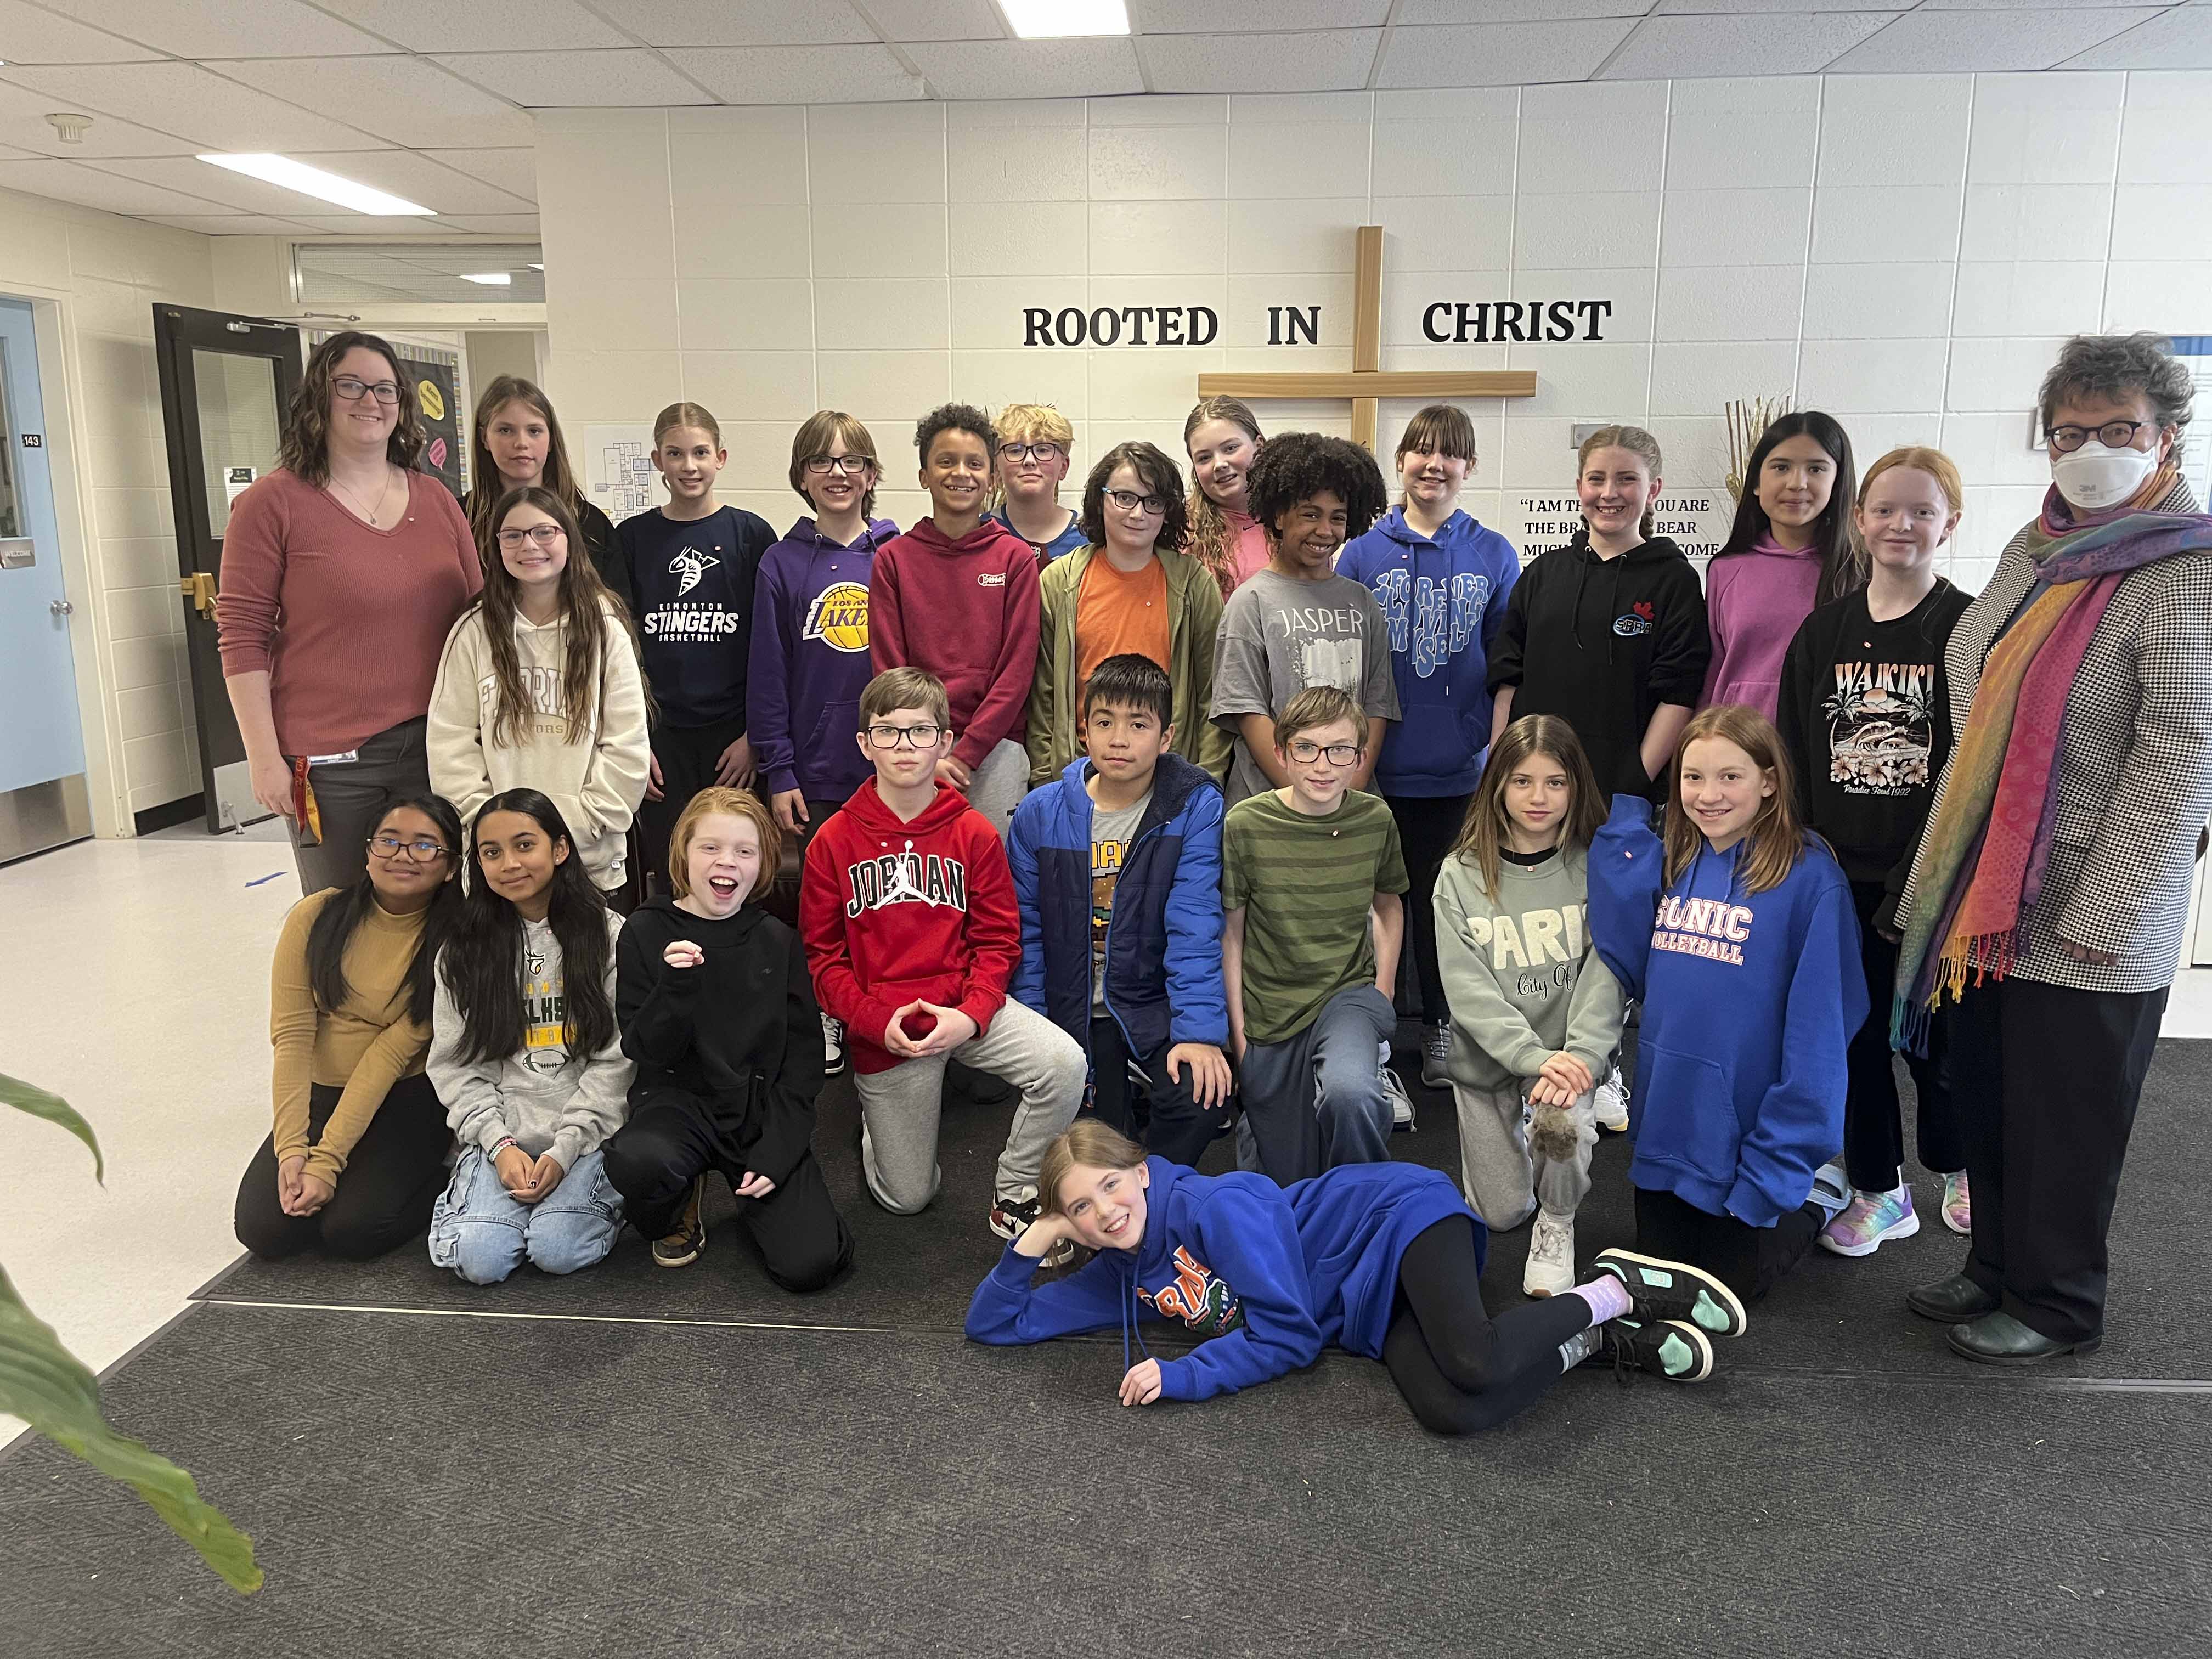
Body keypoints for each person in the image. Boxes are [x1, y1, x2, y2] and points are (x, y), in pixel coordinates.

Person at [1892, 333, 2212, 1364]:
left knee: (2067, 1115)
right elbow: (1976, 691)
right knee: (1988, 1090)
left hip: (2092, 900)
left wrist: (2105, 912)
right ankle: (1995, 1265)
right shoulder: (2033, 549)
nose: (2089, 451)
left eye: (2116, 429)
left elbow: (2182, 753)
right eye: (2069, 432)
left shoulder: (2187, 570)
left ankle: (2058, 1300)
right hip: (1991, 890)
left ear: (2165, 436)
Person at [966, 1121, 1743, 1433]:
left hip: (1395, 1220)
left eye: (1110, 1186)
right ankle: (1605, 1339)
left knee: (1475, 1360)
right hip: (1361, 1306)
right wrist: (1035, 1240)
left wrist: (1184, 1375)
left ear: (1140, 1172)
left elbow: (1290, 1339)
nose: (1104, 1212)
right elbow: (996, 1325)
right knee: (1454, 1413)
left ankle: (1619, 1287)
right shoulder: (1119, 1269)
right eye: (1080, 1208)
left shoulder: (1215, 1209)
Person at [799, 668, 1086, 1252]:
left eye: (920, 731)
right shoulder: (832, 841)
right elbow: (823, 961)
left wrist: (972, 1014)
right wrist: (873, 1021)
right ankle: (877, 1130)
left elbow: (999, 941)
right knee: (907, 1198)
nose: (905, 745)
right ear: (865, 744)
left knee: (1064, 1064)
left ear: (945, 742)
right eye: (888, 731)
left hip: (961, 1007)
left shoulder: (974, 833)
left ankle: (1015, 1192)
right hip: (889, 1027)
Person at [1587, 705, 1864, 1305]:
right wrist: (1627, 819)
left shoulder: (1812, 882)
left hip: (1749, 1152)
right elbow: (1625, 953)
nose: (1708, 795)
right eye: (1693, 777)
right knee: (1655, 1278)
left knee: (1727, 1288)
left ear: (1769, 782)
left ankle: (1816, 1196)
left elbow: (1820, 1045)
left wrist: (1774, 1170)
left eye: (1730, 776)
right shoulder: (1676, 861)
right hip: (1668, 1141)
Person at [1776, 447, 1971, 1257]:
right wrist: (1803, 861)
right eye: (1886, 509)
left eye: (1922, 511)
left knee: (1937, 1042)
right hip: (1837, 876)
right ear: (1858, 519)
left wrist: (1916, 879)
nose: (1902, 525)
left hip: (1935, 878)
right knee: (1853, 1040)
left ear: (1949, 524)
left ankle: (1960, 1166)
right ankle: (1880, 1188)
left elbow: (1972, 767)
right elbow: (1793, 750)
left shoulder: (1966, 628)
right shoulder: (1824, 631)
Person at [217, 330, 482, 894]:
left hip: (438, 748)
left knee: (444, 912)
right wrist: (263, 757)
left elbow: (479, 619)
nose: (371, 401)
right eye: (351, 385)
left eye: (385, 389)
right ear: (319, 395)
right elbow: (242, 636)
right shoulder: (272, 504)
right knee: (343, 913)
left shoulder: (437, 500)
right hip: (332, 763)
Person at [601, 788, 853, 1290]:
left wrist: (779, 1150)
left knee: (812, 1264)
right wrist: (674, 990)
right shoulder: (646, 930)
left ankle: (752, 1193)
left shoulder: (778, 941)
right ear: (684, 853)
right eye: (710, 847)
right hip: (676, 1106)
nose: (727, 861)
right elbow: (645, 1050)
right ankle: (681, 1197)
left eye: (744, 850)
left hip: (756, 1114)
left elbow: (803, 1063)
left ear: (762, 863)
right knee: (637, 1162)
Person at [1338, 404, 1521, 1086]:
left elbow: (1508, 668)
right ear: (1401, 461)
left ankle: (1441, 1023)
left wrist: (1491, 751)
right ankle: (1370, 1034)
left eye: (1450, 453)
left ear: (1469, 466)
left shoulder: (1494, 553)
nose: (1434, 464)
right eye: (1421, 450)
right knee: (1369, 905)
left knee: (1446, 909)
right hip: (1372, 772)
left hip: (1456, 773)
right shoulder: (1362, 552)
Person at [1007, 654, 1233, 1167]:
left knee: (1203, 1096)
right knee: (1099, 1144)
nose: (1119, 739)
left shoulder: (1192, 808)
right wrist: (1038, 1037)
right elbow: (1028, 934)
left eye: (1138, 725)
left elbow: (1195, 925)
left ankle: (1155, 1188)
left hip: (1152, 1002)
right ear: (1084, 731)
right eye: (1105, 723)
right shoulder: (1040, 813)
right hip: (1077, 1012)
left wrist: (1199, 1035)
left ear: (1166, 737)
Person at [1432, 715, 1623, 1297]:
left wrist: (1581, 1057)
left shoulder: (1596, 867)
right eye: (1522, 781)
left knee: (1562, 1127)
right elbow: (1467, 990)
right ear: (1498, 787)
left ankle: (1557, 1223)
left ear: (1576, 787)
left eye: (1555, 782)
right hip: (1490, 1060)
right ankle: (1520, 1141)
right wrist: (1528, 1057)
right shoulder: (1460, 875)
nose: (1539, 797)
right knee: (1500, 1214)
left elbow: (1606, 975)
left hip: (1565, 1060)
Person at [234, 795, 465, 1261]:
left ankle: (450, 1175)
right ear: (368, 852)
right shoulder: (315, 916)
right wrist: (292, 1150)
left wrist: (326, 1162)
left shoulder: (456, 941)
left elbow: (390, 1055)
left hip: (404, 1095)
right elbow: (292, 1038)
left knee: (354, 1231)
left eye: (425, 846)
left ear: (450, 868)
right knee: (264, 1231)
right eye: (389, 841)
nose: (402, 855)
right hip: (322, 1092)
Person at [426, 789, 632, 1283]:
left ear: (559, 849)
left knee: (557, 1249)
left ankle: (604, 1200)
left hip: (586, 1135)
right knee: (479, 1259)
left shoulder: (610, 936)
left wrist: (566, 1148)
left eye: (524, 845)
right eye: (491, 852)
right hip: (503, 1133)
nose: (509, 864)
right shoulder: (462, 951)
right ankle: (478, 1186)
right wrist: (499, 1146)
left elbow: (617, 1061)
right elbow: (455, 1065)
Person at [428, 486, 651, 901]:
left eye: (544, 532)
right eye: (513, 535)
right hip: (501, 864)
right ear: (497, 547)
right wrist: (494, 829)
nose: (529, 545)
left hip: (587, 856)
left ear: (569, 539)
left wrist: (581, 823)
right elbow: (450, 743)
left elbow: (627, 744)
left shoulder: (605, 629)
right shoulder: (473, 631)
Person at [1223, 687, 1408, 1184]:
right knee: (1282, 1178)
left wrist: (1383, 990)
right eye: (1306, 748)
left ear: (1360, 758)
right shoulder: (1245, 824)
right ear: (1281, 753)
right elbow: (1232, 934)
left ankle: (1361, 1204)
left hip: (1348, 997)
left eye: (1340, 750)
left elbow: (1388, 905)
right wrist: (1240, 1040)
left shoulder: (1375, 819)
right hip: (1271, 1011)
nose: (1322, 765)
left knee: (1351, 1094)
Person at [751, 409, 899, 1030]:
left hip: (894, 767)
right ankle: (831, 1014)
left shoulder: (897, 555)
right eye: (822, 461)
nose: (838, 473)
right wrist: (779, 771)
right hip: (816, 772)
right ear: (802, 475)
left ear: (871, 474)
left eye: (852, 461)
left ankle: (887, 1008)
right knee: (830, 904)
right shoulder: (780, 564)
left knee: (891, 901)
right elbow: (768, 676)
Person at [1488, 425, 1707, 809]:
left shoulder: (1675, 581)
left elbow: (1678, 694)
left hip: (1624, 794)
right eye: (1597, 479)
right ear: (1579, 487)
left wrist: (1633, 784)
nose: (1609, 493)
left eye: (1627, 479)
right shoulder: (1542, 574)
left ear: (1653, 490)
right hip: (1535, 790)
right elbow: (1508, 680)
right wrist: (1499, 769)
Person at [614, 401, 778, 889]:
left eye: (701, 453)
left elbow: (770, 648)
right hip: (661, 737)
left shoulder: (751, 534)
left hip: (734, 738)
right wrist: (635, 742)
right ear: (657, 460)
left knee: (737, 867)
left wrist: (755, 737)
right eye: (676, 454)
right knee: (676, 871)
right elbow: (618, 651)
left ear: (721, 458)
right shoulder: (632, 539)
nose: (689, 466)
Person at [870, 404, 1043, 836]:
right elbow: (890, 671)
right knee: (920, 869)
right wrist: (923, 746)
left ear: (993, 477)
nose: (961, 473)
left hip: (996, 749)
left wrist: (966, 755)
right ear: (924, 475)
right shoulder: (893, 559)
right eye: (946, 461)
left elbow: (1017, 672)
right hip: (913, 748)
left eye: (974, 463)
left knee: (992, 869)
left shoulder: (1015, 558)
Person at [1209, 432, 1400, 806]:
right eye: (1310, 514)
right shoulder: (1251, 602)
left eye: (1337, 518)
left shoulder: (1362, 601)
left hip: (1349, 804)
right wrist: (1309, 797)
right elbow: (1248, 712)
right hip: (1271, 807)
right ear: (1280, 516)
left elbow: (1377, 706)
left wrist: (1345, 793)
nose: (1325, 530)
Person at [1025, 441, 1231, 786]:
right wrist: (1048, 780)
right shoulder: (1059, 582)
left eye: (1153, 502)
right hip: (1078, 774)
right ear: (1100, 500)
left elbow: (1214, 693)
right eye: (1124, 498)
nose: (1138, 514)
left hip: (1170, 777)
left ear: (1167, 511)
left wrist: (1204, 781)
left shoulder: (1193, 584)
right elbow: (1042, 696)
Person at [1703, 411, 1860, 723]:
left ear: (1837, 482)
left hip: (1826, 741)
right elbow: (1711, 673)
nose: (1797, 483)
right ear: (1756, 482)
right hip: (1739, 741)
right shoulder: (1726, 570)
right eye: (1781, 467)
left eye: (1816, 469)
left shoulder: (1860, 573)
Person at [461, 375, 624, 604]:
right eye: (506, 430)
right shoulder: (459, 519)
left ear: (551, 440)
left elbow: (619, 608)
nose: (521, 443)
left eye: (534, 431)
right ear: (485, 438)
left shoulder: (589, 523)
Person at [1183, 396, 1268, 597]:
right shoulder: (1182, 531)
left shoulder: (1294, 521)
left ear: (1259, 445)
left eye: (1231, 448)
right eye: (1205, 458)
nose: (1219, 464)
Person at [988, 402, 1086, 565]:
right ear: (997, 467)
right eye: (1015, 450)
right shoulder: (979, 533)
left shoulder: (1087, 539)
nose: (1029, 460)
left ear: (1063, 467)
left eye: (1043, 449)